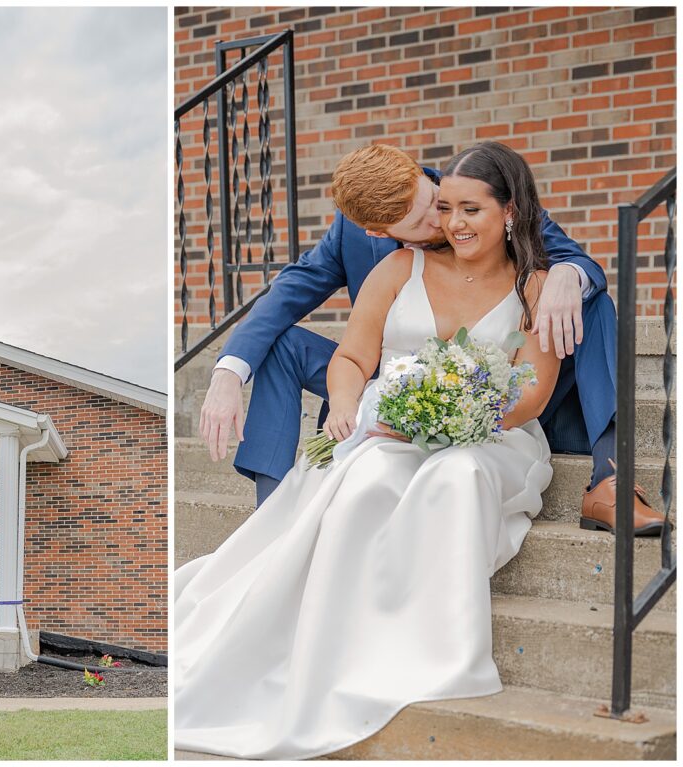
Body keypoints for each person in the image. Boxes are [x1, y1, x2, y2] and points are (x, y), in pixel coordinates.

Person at [176, 142, 567, 759]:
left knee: (455, 476)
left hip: (493, 430)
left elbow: (532, 391)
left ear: (504, 212)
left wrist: (458, 417)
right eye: (429, 220)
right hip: (395, 421)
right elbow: (350, 352)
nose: (445, 225)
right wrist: (344, 403)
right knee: (364, 480)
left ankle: (436, 647)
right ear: (380, 233)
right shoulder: (393, 266)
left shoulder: (532, 273)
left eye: (455, 210)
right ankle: (330, 643)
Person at [199, 143, 666, 536]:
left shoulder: (477, 194)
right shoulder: (362, 239)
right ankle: (273, 509)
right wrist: (228, 372)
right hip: (388, 379)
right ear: (380, 233)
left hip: (491, 383)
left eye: (434, 203)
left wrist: (568, 271)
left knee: (592, 300)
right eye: (420, 223)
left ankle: (610, 479)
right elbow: (290, 292)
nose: (443, 222)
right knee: (279, 346)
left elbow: (576, 260)